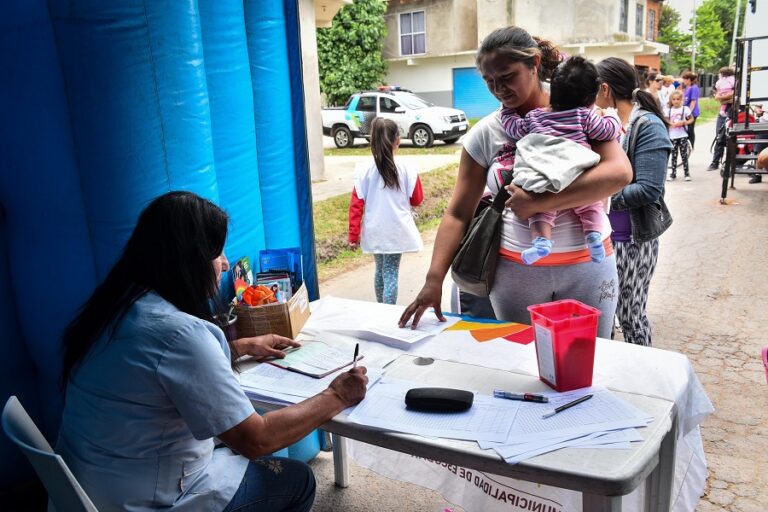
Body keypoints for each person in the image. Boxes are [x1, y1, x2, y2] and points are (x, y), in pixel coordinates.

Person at [58, 191, 368, 511]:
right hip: (148, 499)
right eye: (216, 253)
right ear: (187, 260)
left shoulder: (115, 307)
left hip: (93, 489)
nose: (223, 263)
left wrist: (239, 347)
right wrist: (337, 395)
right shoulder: (181, 335)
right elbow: (255, 440)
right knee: (296, 479)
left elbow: (155, 369)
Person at [398, 26, 632, 338]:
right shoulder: (486, 132)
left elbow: (619, 174)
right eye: (489, 81)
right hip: (515, 272)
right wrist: (433, 279)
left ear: (534, 64)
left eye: (507, 76)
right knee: (521, 365)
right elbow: (457, 213)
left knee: (588, 364)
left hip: (587, 266)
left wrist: (539, 203)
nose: (499, 89)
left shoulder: (577, 109)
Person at [499, 55, 621, 264]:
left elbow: (514, 128)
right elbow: (607, 131)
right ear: (590, 99)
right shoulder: (584, 116)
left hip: (544, 174)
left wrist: (506, 112)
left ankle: (541, 242)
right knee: (590, 204)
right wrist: (611, 115)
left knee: (540, 211)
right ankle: (593, 236)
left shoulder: (535, 116)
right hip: (576, 174)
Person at [595, 57, 673, 347]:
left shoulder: (648, 125)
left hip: (632, 242)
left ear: (605, 89)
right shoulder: (605, 124)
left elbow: (649, 189)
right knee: (604, 316)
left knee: (630, 315)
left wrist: (599, 198)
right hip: (604, 239)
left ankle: (643, 379)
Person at [348, 117, 424, 304]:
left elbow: (356, 205)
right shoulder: (407, 169)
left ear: (372, 141)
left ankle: (380, 308)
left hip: (375, 230)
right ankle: (388, 313)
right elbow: (417, 199)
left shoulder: (364, 170)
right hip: (395, 231)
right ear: (397, 140)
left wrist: (353, 235)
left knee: (380, 270)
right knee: (390, 273)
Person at [709, 67, 736, 171]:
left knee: (732, 138)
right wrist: (726, 98)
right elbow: (717, 97)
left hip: (733, 111)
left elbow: (734, 96)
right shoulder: (722, 83)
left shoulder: (735, 82)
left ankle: (730, 162)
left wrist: (724, 98)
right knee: (719, 137)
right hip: (723, 113)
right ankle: (715, 162)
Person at [665, 90, 694, 181]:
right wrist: (671, 124)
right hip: (672, 136)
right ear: (671, 100)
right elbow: (666, 121)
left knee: (684, 155)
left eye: (678, 99)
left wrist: (684, 122)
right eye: (674, 99)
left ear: (681, 100)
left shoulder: (685, 109)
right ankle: (673, 174)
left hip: (682, 135)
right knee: (673, 155)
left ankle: (687, 173)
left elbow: (691, 119)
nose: (676, 101)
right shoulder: (669, 110)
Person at [681, 71, 700, 149]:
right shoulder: (687, 88)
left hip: (692, 112)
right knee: (686, 128)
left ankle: (691, 145)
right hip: (686, 111)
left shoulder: (694, 88)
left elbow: (693, 101)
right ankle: (687, 144)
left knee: (690, 129)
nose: (683, 81)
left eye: (684, 79)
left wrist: (689, 112)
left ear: (689, 79)